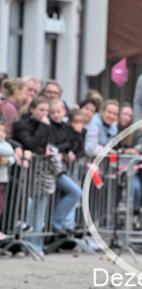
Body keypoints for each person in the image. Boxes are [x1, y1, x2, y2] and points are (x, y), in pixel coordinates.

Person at [12, 97, 55, 253]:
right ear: (32, 109)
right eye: (41, 110)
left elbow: (47, 145)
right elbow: (30, 144)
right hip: (25, 172)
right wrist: (43, 126)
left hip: (41, 171)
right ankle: (26, 244)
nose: (44, 114)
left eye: (46, 111)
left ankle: (37, 244)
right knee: (28, 208)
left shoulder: (47, 125)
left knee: (40, 208)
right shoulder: (22, 124)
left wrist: (41, 149)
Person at [49, 99, 82, 234]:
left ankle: (60, 223)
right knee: (75, 191)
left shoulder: (66, 128)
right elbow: (52, 145)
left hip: (63, 168)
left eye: (58, 112)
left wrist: (77, 134)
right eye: (53, 112)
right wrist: (64, 149)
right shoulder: (48, 127)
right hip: (52, 169)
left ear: (64, 112)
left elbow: (73, 144)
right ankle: (56, 223)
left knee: (73, 192)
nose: (56, 115)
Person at [0, 120, 15, 236]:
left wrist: (7, 161)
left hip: (2, 180)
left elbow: (11, 154)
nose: (1, 133)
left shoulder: (6, 144)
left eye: (3, 131)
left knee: (1, 207)